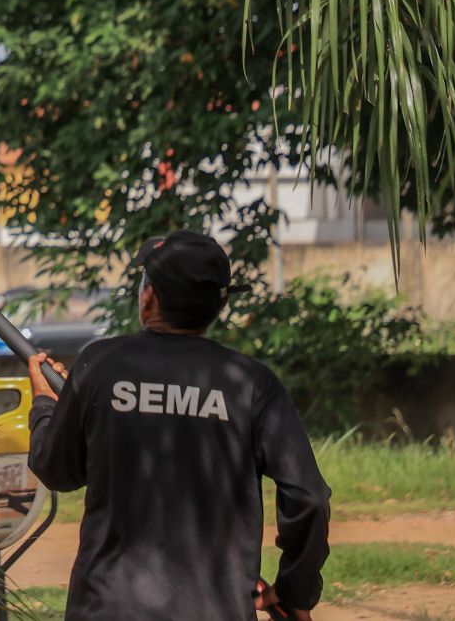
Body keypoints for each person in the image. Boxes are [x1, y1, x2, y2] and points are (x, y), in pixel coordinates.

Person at [26, 230, 331, 621]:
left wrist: (45, 407)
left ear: (149, 296)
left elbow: (57, 470)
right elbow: (309, 498)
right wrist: (294, 591)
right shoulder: (251, 383)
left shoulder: (98, 365)